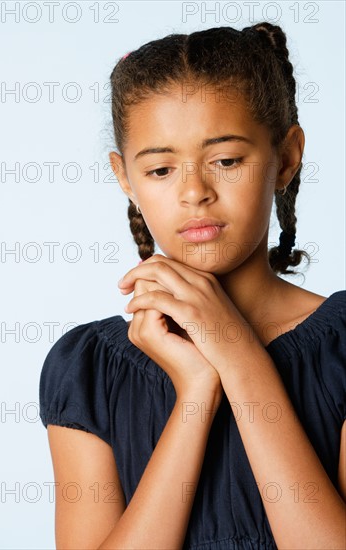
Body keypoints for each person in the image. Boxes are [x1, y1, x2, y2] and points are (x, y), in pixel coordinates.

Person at [39, 22, 346, 549]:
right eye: (160, 170)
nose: (194, 192)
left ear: (287, 158)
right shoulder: (87, 369)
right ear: (125, 179)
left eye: (226, 161)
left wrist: (238, 353)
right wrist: (196, 391)